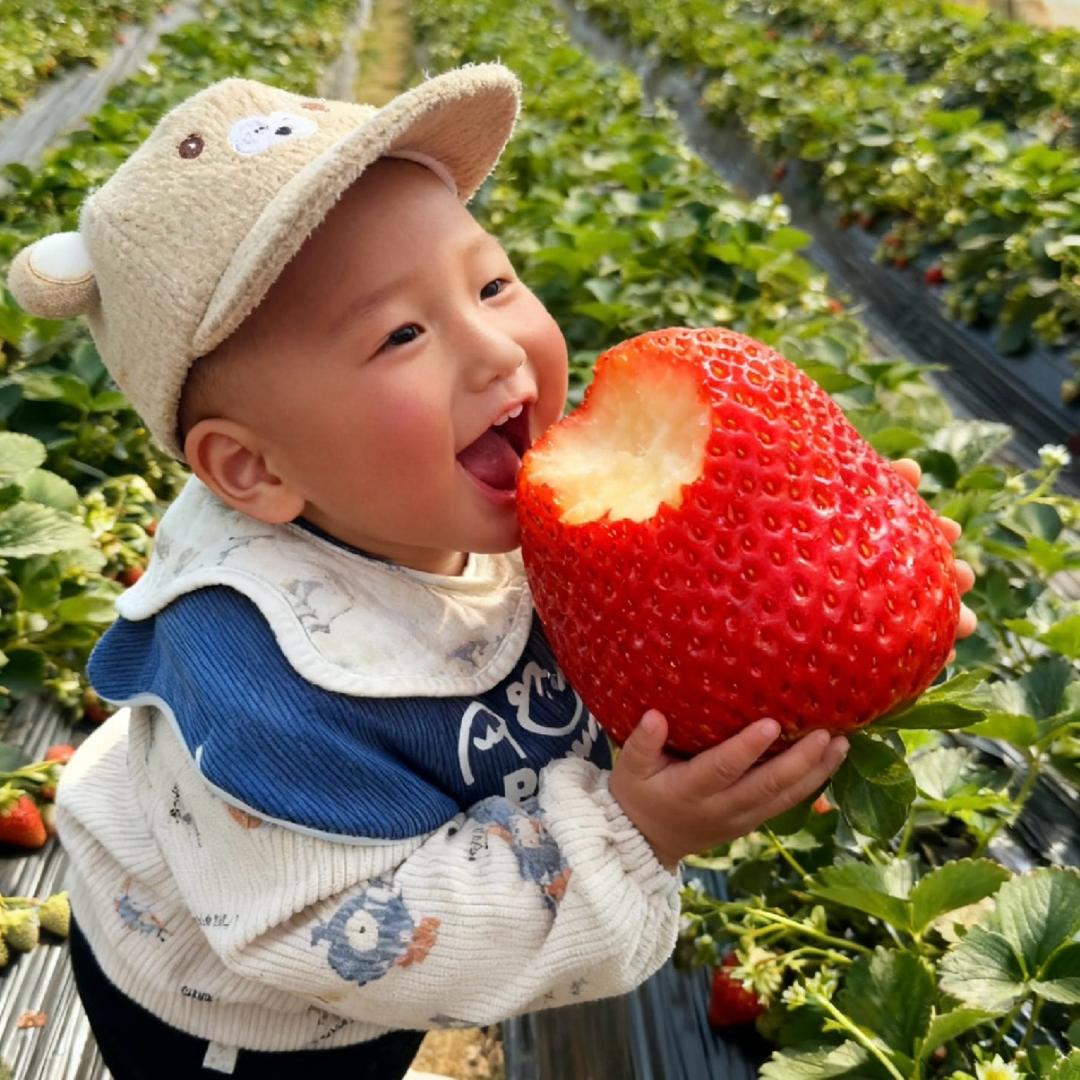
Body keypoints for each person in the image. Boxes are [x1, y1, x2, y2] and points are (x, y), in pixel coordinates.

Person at [6, 65, 976, 1080]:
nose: (494, 353)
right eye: (401, 335)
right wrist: (633, 834)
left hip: (356, 954)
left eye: (492, 283)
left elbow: (625, 667)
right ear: (254, 468)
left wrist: (827, 596)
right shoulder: (265, 683)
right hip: (242, 1018)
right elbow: (339, 936)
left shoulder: (457, 499)